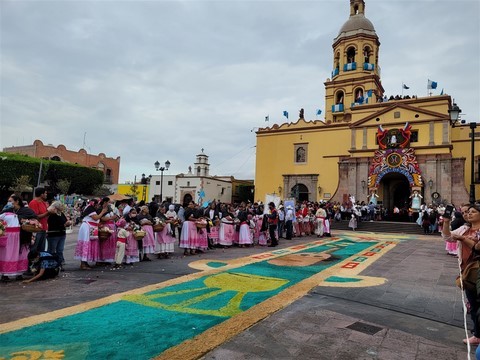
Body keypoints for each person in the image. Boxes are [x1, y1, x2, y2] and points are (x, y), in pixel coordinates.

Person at [442, 203, 480, 345]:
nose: (468, 214)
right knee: (474, 304)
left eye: (472, 212)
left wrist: (464, 240)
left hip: (478, 268)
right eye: (466, 212)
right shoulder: (465, 229)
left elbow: (477, 248)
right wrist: (446, 222)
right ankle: (477, 334)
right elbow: (448, 237)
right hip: (467, 270)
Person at [0, 195, 36, 281]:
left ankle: (19, 273)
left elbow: (34, 218)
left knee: (21, 255)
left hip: (23, 237)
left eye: (10, 200)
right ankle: (5, 274)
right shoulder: (6, 211)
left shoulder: (27, 211)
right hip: (10, 238)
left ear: (17, 201)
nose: (9, 202)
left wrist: (26, 221)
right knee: (8, 255)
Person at [74, 198, 109, 270]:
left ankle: (85, 262)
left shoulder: (91, 208)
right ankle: (83, 263)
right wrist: (102, 212)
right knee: (86, 244)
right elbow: (96, 218)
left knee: (88, 244)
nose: (98, 206)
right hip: (87, 228)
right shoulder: (90, 209)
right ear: (94, 204)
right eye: (97, 204)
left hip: (90, 227)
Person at [47, 201, 71, 271]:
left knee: (60, 250)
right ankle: (50, 264)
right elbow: (52, 224)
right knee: (52, 250)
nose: (62, 207)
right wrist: (63, 225)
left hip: (62, 234)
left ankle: (59, 264)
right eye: (61, 205)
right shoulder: (52, 215)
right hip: (54, 234)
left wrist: (67, 223)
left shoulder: (61, 214)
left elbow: (65, 221)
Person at [29, 187, 53, 253]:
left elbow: (45, 216)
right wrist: (48, 213)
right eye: (45, 193)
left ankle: (40, 262)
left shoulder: (43, 202)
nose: (46, 195)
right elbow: (35, 217)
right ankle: (32, 261)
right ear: (41, 194)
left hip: (43, 228)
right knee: (34, 248)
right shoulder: (33, 203)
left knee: (42, 249)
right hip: (36, 229)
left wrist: (50, 212)